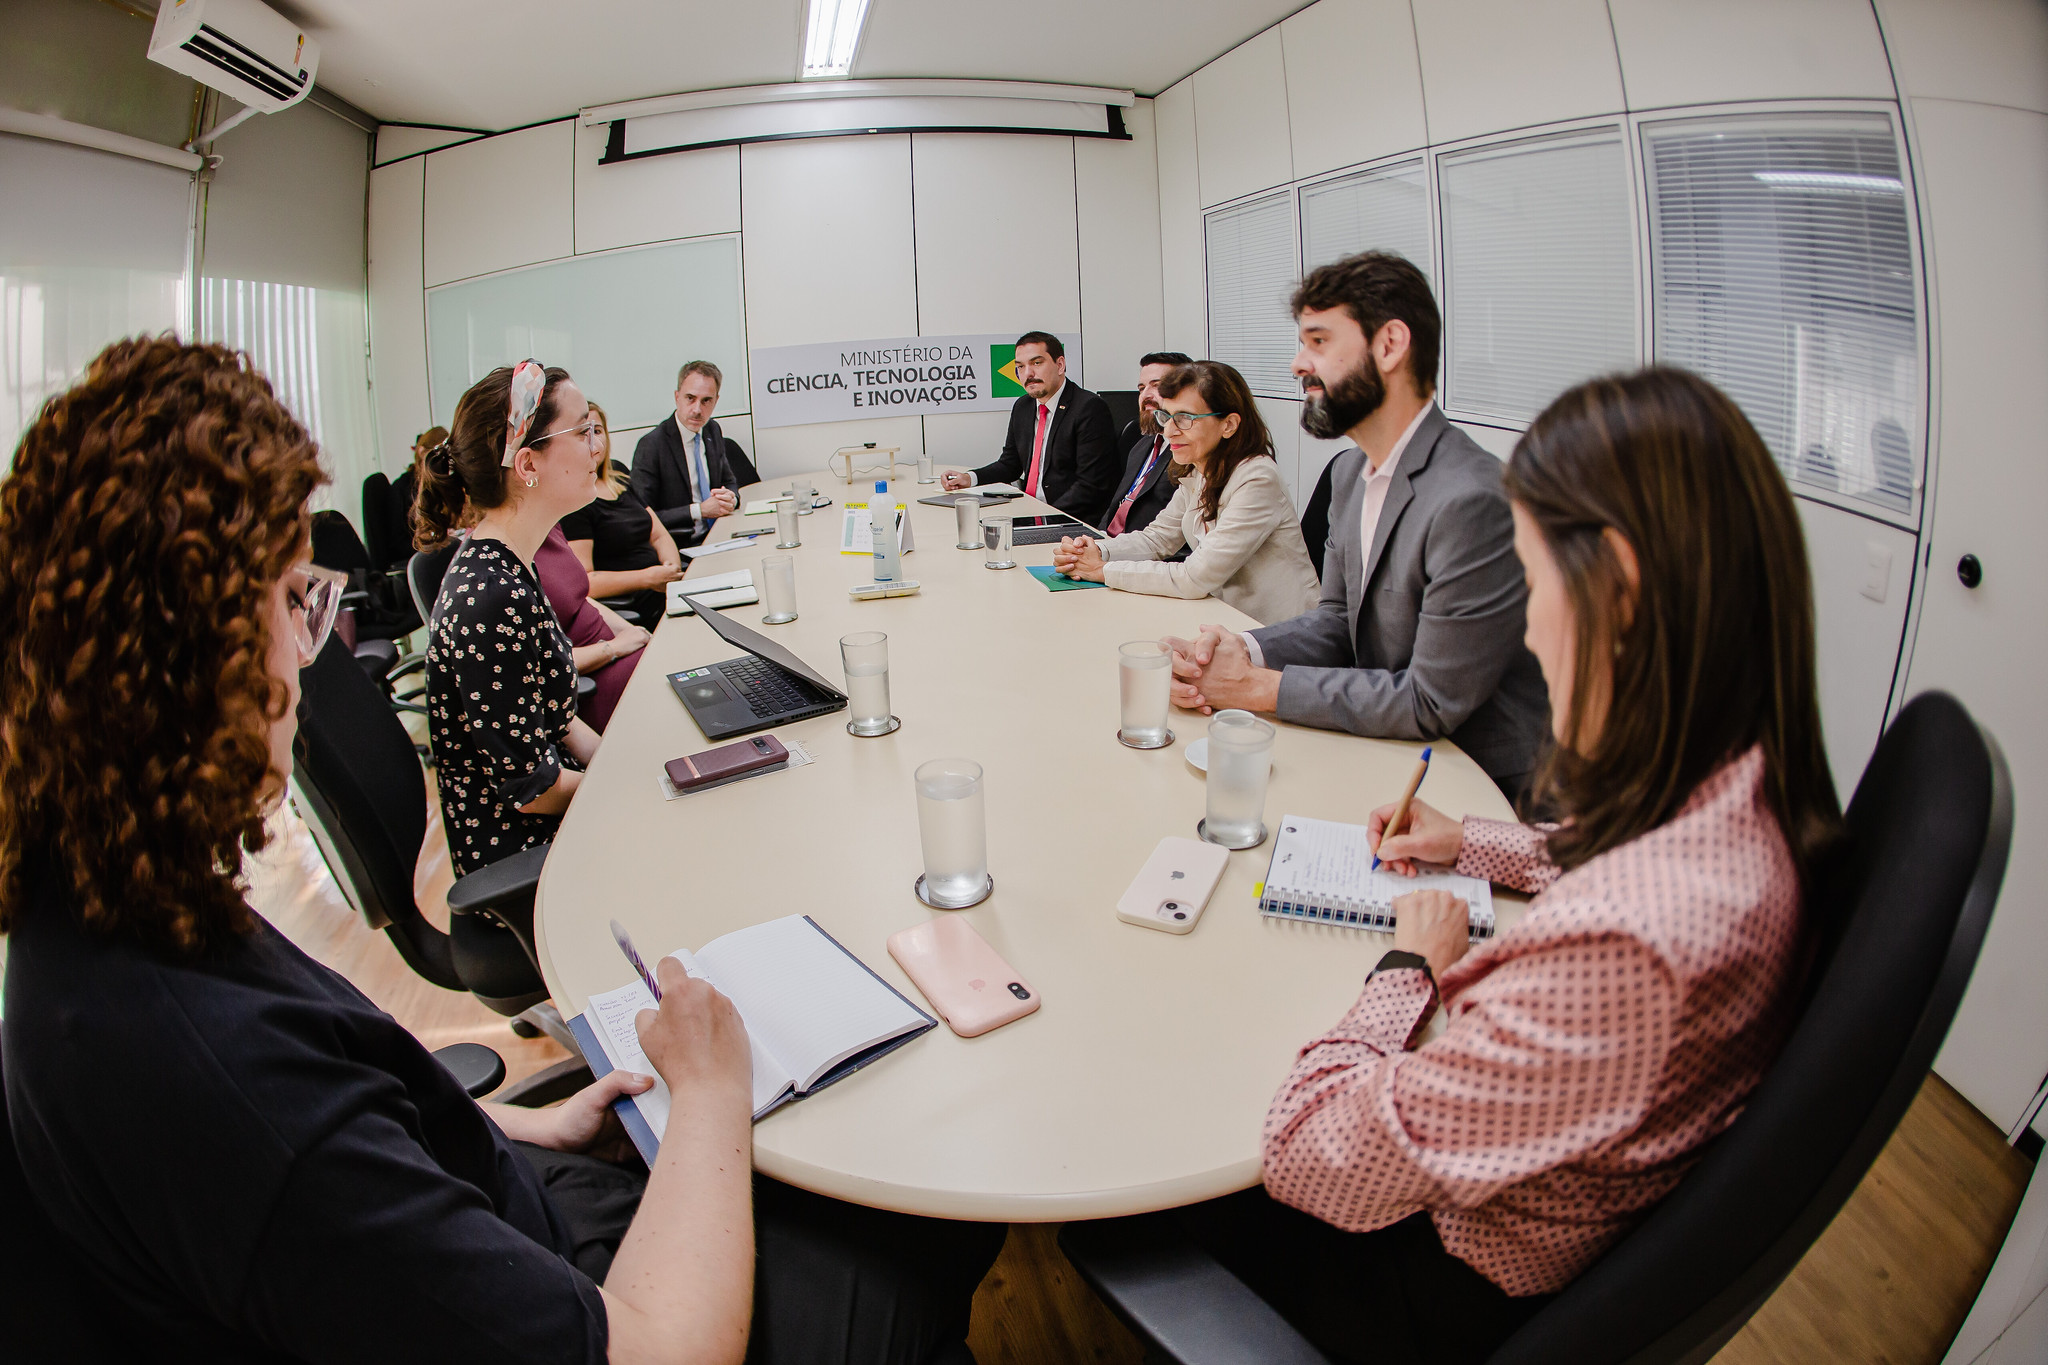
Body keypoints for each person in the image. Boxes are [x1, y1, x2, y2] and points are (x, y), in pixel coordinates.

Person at [0, 337, 1003, 1363]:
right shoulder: (214, 1073)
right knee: (927, 1215)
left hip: (518, 1193)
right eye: (295, 605)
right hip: (612, 1299)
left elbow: (372, 1132)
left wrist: (515, 1129)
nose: (304, 664)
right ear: (193, 651)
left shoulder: (106, 927)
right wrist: (703, 1091)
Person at [1171, 366, 1842, 1365]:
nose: (1527, 627)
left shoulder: (1624, 948)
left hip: (1428, 1276)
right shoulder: (1739, 792)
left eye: (1533, 582)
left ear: (1612, 585)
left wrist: (1404, 972)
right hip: (1520, 1195)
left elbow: (1315, 1160)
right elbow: (1614, 856)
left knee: (1182, 1135)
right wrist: (1470, 843)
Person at [1167, 252, 1550, 799]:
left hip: (1476, 784)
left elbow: (1429, 700)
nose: (1299, 363)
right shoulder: (1349, 473)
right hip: (1386, 749)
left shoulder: (1472, 499)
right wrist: (1241, 650)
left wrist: (1257, 687)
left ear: (1390, 345)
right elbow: (1340, 620)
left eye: (1318, 341)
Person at [414, 362, 603, 876]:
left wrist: (618, 761)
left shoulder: (513, 559)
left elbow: (558, 722)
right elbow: (531, 790)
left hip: (557, 822)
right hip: (529, 859)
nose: (597, 447)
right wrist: (628, 787)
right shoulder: (489, 598)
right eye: (583, 430)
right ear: (527, 465)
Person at [1051, 360, 1319, 626]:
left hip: (1277, 631)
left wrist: (1102, 570)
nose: (1169, 431)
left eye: (1185, 419)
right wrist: (1096, 550)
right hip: (1223, 618)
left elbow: (1195, 577)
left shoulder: (1257, 478)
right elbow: (1158, 539)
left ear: (1229, 425)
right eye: (1166, 416)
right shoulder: (1198, 469)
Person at [939, 331, 1118, 521]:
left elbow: (1090, 486)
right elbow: (1010, 464)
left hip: (1070, 520)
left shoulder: (1088, 408)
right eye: (1020, 367)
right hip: (1030, 514)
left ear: (1060, 365)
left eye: (1036, 363)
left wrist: (1041, 515)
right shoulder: (1023, 407)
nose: (1028, 374)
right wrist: (969, 478)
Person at [561, 400, 683, 628]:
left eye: (597, 430)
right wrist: (648, 578)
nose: (593, 440)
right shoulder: (574, 501)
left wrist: (670, 570)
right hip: (637, 603)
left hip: (666, 591)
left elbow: (658, 534)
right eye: (582, 433)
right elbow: (587, 581)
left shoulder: (618, 473)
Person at [535, 521, 649, 736]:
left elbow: (579, 598)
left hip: (621, 656)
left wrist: (638, 635)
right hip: (593, 683)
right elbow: (537, 666)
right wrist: (614, 648)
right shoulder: (499, 569)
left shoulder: (549, 528)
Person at [632, 360, 746, 546]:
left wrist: (731, 499)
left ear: (716, 400)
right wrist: (699, 510)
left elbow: (729, 481)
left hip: (720, 535)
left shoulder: (712, 430)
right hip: (682, 546)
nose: (697, 410)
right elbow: (642, 517)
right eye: (690, 398)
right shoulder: (652, 445)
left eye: (706, 401)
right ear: (677, 397)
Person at [1098, 350, 1193, 537]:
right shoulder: (1140, 444)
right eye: (1141, 388)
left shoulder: (1189, 450)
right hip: (1109, 544)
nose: (1145, 396)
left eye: (1157, 386)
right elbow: (1116, 506)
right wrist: (1095, 537)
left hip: (1146, 555)